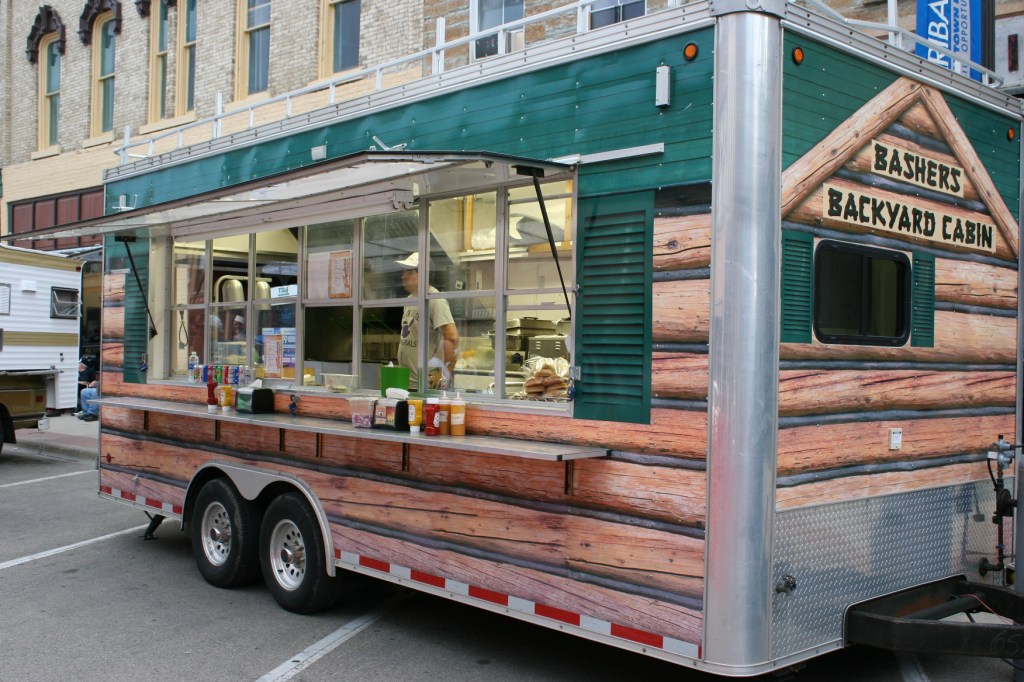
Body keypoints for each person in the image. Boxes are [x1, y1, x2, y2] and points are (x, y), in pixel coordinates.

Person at [395, 252, 458, 389]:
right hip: (407, 381)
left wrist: (444, 374)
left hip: (424, 385)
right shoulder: (409, 300)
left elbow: (451, 338)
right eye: (404, 272)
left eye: (410, 272)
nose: (403, 276)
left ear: (424, 274)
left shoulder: (435, 300)